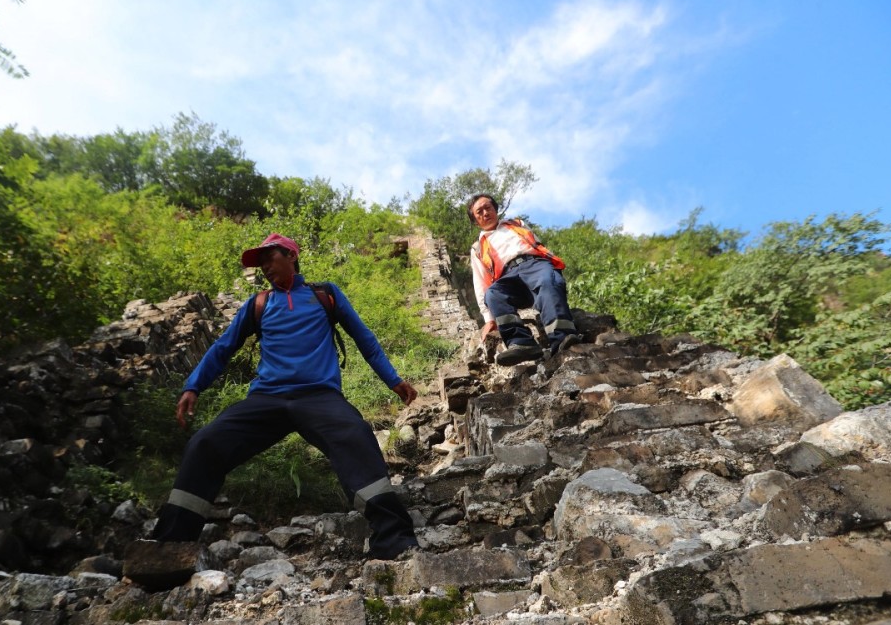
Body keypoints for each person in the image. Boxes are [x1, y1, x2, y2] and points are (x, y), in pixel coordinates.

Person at [151, 233, 420, 560]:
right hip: (266, 400)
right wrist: (193, 385)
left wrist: (393, 380)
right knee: (204, 443)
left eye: (270, 258)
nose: (264, 267)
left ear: (291, 255)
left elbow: (365, 339)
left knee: (356, 434)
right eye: (260, 263)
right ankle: (169, 547)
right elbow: (223, 348)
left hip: (319, 396)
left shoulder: (325, 295)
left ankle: (394, 540)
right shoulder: (259, 303)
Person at [468, 193, 579, 366]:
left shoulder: (516, 224)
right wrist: (488, 319)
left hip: (534, 264)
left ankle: (562, 337)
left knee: (547, 282)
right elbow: (480, 283)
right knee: (493, 294)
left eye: (487, 208)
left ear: (495, 209)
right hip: (509, 276)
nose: (485, 213)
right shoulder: (477, 248)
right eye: (479, 212)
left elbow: (534, 242)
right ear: (475, 221)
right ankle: (521, 342)